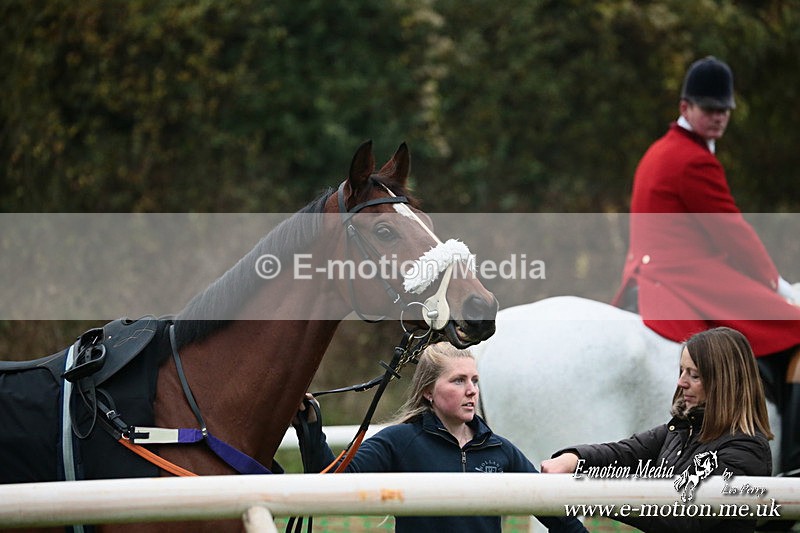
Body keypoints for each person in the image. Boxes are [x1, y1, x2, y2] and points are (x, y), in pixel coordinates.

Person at [611, 55, 800, 477]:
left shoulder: (661, 150)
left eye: (724, 109)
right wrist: (778, 286)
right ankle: (794, 464)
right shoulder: (692, 159)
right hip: (685, 279)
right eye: (710, 108)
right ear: (685, 107)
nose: (719, 116)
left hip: (654, 275)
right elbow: (731, 232)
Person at [292, 342, 587, 533]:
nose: (471, 390)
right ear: (428, 392)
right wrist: (311, 428)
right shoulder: (399, 441)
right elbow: (333, 481)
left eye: (474, 380)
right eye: (458, 381)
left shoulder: (499, 449)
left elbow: (554, 511)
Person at [542, 327, 773, 533]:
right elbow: (625, 452)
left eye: (694, 375)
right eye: (682, 371)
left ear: (723, 382)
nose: (681, 382)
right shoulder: (681, 430)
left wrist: (590, 493)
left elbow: (683, 518)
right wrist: (574, 458)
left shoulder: (746, 448)